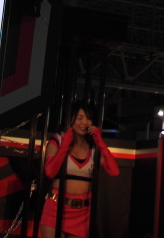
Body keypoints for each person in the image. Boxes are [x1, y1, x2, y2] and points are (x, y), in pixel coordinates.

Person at [40, 101, 119, 238]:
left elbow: (114, 171)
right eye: (80, 118)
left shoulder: (92, 146)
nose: (85, 123)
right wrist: (65, 144)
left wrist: (100, 142)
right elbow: (50, 172)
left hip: (82, 212)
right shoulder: (57, 140)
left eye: (88, 119)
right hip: (56, 207)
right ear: (70, 119)